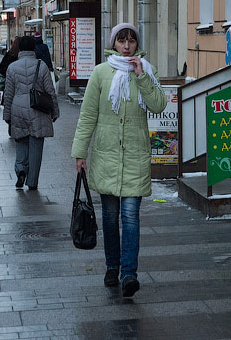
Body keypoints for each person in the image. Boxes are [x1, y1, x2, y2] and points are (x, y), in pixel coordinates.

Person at [71, 23, 166, 298]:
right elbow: (88, 115)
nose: (127, 46)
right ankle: (112, 267)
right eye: (122, 41)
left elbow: (159, 104)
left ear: (137, 44)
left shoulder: (146, 70)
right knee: (110, 218)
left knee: (131, 217)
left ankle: (129, 274)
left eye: (131, 41)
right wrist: (80, 153)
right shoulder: (101, 73)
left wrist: (141, 77)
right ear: (113, 44)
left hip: (135, 156)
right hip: (106, 155)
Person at [3, 36, 60, 191]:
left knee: (21, 141)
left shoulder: (12, 67)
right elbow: (50, 91)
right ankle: (32, 182)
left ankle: (21, 169)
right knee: (36, 145)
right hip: (38, 109)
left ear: (20, 48)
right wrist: (54, 111)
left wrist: (7, 115)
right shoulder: (41, 66)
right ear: (34, 48)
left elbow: (8, 94)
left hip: (18, 108)